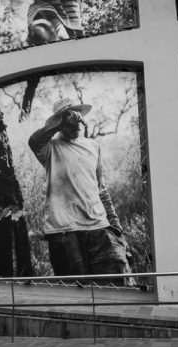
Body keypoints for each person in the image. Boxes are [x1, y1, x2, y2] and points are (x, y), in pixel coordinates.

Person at [28, 98, 132, 282]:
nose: (75, 123)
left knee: (118, 287)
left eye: (77, 117)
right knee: (77, 293)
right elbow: (34, 140)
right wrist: (62, 120)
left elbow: (101, 189)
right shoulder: (49, 148)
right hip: (64, 233)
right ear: (59, 124)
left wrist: (116, 227)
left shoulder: (93, 146)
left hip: (100, 229)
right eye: (69, 119)